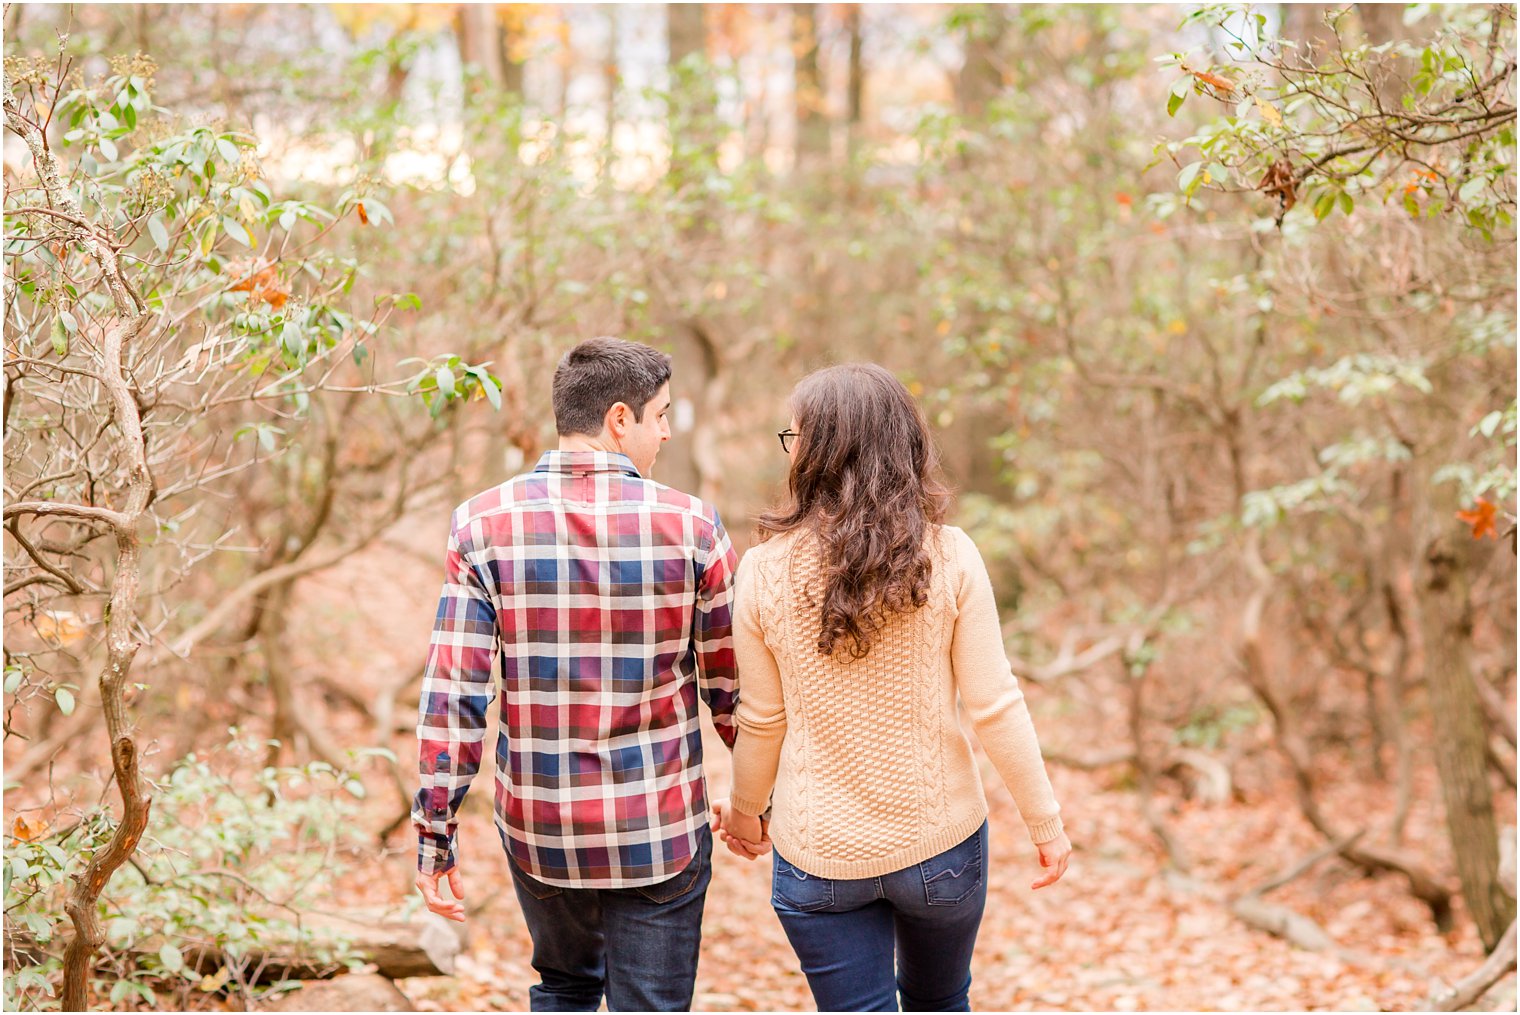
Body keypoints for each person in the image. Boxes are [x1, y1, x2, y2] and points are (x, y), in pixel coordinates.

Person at [716, 363, 1071, 1013]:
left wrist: (744, 814)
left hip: (819, 858)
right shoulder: (953, 553)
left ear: (821, 451)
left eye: (793, 437)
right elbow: (994, 704)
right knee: (941, 1002)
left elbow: (761, 720)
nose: (789, 451)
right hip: (941, 849)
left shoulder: (763, 571)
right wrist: (1045, 822)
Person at [412, 336, 739, 1012]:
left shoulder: (480, 525)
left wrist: (434, 833)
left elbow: (455, 697)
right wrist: (763, 803)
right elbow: (732, 690)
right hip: (661, 830)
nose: (669, 430)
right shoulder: (694, 527)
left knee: (562, 989)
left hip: (543, 834)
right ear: (620, 419)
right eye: (661, 414)